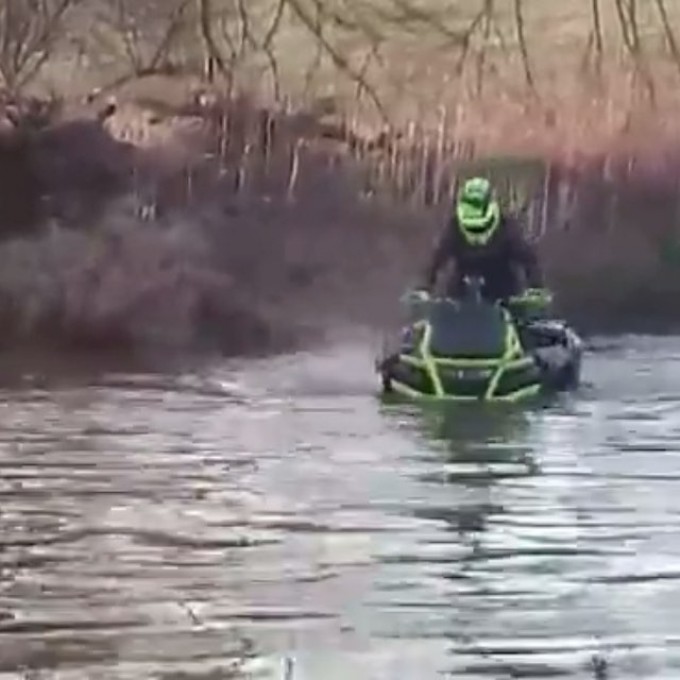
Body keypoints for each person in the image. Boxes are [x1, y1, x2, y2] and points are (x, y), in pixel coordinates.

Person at [419, 176, 545, 303]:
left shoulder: (505, 226)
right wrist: (424, 287)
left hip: (504, 295)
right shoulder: (455, 226)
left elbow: (528, 259)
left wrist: (535, 288)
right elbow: (437, 258)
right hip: (460, 295)